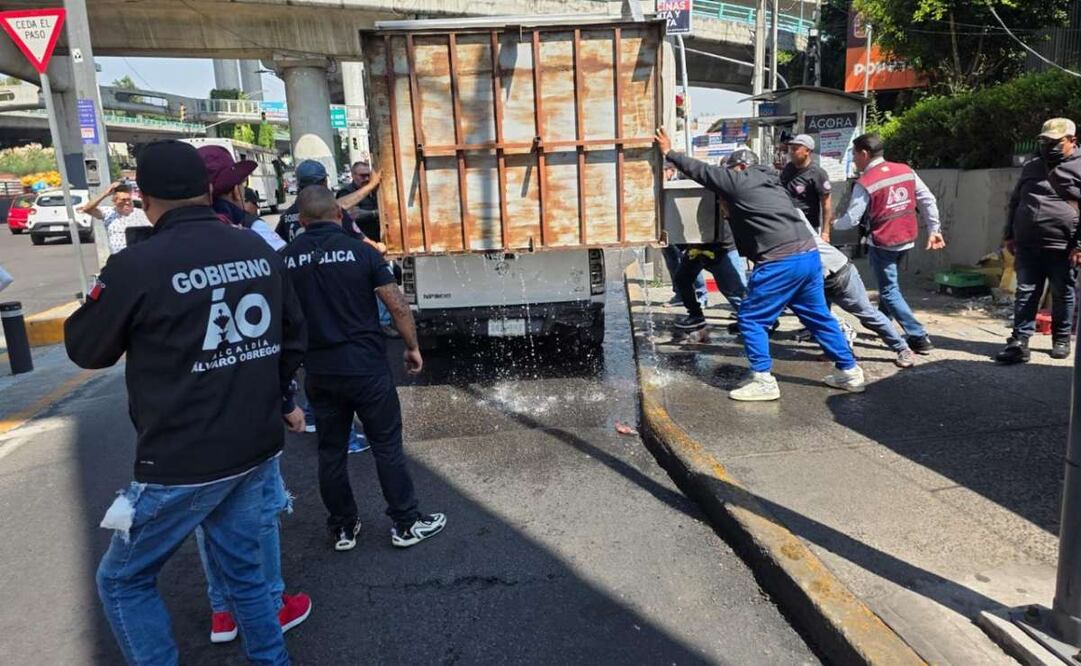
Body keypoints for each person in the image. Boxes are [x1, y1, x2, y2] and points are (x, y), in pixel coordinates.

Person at [63, 140, 307, 665]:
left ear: (144, 198)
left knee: (123, 580)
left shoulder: (137, 265)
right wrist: (273, 397)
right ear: (206, 190)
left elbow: (87, 348)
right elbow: (294, 338)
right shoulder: (256, 251)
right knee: (246, 573)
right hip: (255, 444)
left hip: (182, 458)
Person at [281, 186, 446, 550]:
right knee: (386, 445)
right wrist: (412, 347)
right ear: (340, 216)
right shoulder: (361, 252)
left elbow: (281, 322)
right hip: (367, 368)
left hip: (320, 372)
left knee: (331, 451)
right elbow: (397, 305)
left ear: (303, 222)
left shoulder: (285, 259)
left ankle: (342, 527)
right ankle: (405, 523)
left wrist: (285, 377)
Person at [195, 142, 311, 644]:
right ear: (232, 188)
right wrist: (286, 399)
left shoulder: (152, 250)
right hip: (251, 397)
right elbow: (290, 321)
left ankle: (222, 611)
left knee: (207, 513)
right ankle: (270, 603)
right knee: (261, 508)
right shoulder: (252, 242)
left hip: (189, 409)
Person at [657, 128, 866, 400]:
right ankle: (849, 372)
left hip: (780, 260)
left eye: (730, 171)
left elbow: (704, 172)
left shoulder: (742, 180)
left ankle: (764, 380)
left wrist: (670, 153)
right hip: (808, 255)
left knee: (751, 319)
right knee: (818, 316)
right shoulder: (772, 183)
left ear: (741, 166)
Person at [832, 133, 945, 355]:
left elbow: (852, 219)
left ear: (864, 154)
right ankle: (883, 323)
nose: (854, 159)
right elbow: (927, 199)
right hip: (906, 238)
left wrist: (831, 224)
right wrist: (934, 230)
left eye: (854, 154)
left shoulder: (866, 182)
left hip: (883, 242)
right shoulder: (905, 170)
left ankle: (918, 336)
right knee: (889, 285)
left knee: (889, 290)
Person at [997, 118, 1080, 364]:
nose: (1048, 147)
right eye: (1045, 141)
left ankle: (1061, 339)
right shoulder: (1032, 166)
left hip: (1063, 246)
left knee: (1062, 293)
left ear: (1072, 141)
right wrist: (1009, 234)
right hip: (1028, 243)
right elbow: (1016, 200)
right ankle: (1020, 341)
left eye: (1055, 142)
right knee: (1026, 292)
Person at [808, 219, 916, 368]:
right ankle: (840, 350)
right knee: (820, 318)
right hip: (815, 278)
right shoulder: (783, 215)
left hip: (838, 273)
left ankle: (903, 349)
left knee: (867, 314)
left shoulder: (788, 215)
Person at [199, 145, 287, 251]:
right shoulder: (254, 228)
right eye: (243, 185)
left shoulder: (181, 236)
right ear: (236, 192)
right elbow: (286, 259)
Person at [671, 216, 747, 331]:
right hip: (697, 244)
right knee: (682, 278)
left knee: (734, 289)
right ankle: (695, 316)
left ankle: (759, 319)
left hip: (721, 246)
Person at [780, 134, 833, 240]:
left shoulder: (817, 173)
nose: (791, 152)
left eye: (795, 149)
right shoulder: (788, 168)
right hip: (787, 224)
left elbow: (826, 204)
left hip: (808, 227)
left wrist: (825, 232)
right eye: (791, 149)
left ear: (807, 151)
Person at [79, 181, 151, 254]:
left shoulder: (140, 214)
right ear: (115, 201)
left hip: (139, 256)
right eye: (123, 200)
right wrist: (105, 194)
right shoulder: (108, 212)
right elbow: (87, 209)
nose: (127, 202)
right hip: (119, 258)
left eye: (129, 199)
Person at [336, 160, 382, 241]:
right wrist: (376, 213)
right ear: (353, 175)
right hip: (359, 240)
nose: (367, 178)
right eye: (363, 176)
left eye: (368, 175)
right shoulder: (347, 192)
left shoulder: (373, 190)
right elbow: (355, 214)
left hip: (376, 238)